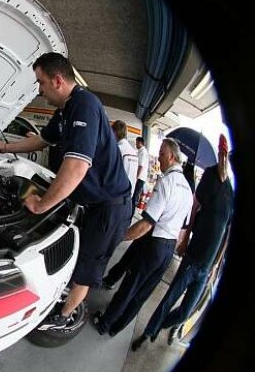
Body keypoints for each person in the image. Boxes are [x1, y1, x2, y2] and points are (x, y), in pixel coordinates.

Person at [0, 52, 131, 328]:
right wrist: (4, 147)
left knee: (86, 269)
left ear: (57, 80)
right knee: (76, 256)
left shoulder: (85, 105)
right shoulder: (65, 110)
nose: (39, 91)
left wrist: (42, 204)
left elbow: (77, 166)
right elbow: (42, 140)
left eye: (40, 83)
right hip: (91, 203)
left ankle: (63, 318)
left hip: (110, 208)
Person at [131, 134, 233, 351]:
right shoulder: (210, 175)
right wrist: (185, 237)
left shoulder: (231, 193)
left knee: (186, 311)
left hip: (206, 268)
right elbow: (195, 208)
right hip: (193, 257)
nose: (224, 159)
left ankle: (162, 326)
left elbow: (226, 231)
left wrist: (216, 265)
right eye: (222, 154)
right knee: (169, 299)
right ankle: (149, 332)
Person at [93, 138, 193, 337]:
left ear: (172, 157)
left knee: (130, 286)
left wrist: (119, 236)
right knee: (142, 293)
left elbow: (146, 224)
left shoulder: (166, 182)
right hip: (168, 247)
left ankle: (104, 323)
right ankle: (117, 327)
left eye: (162, 154)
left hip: (154, 243)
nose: (159, 159)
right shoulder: (188, 189)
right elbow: (183, 227)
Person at [112, 120, 138, 197]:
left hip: (116, 197)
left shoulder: (117, 149)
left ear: (114, 132)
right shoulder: (133, 152)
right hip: (129, 196)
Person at [132, 136, 149, 215]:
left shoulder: (143, 152)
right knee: (134, 195)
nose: (136, 144)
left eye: (136, 142)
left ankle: (131, 214)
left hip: (139, 178)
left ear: (140, 142)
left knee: (135, 196)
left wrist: (135, 177)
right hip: (139, 178)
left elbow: (141, 166)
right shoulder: (140, 151)